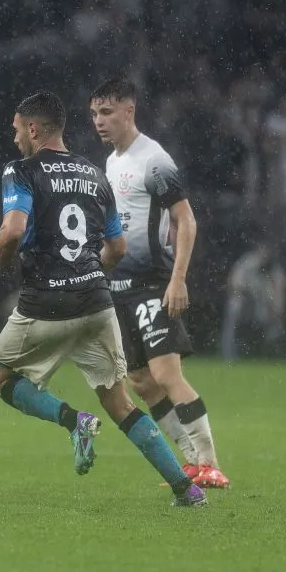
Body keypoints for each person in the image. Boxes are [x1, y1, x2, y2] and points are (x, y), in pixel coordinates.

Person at [0, 92, 206, 508]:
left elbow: (12, 230)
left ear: (34, 129)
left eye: (17, 129)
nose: (15, 138)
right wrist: (88, 272)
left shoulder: (20, 170)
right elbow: (117, 247)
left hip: (45, 303)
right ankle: (187, 490)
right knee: (121, 403)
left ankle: (74, 421)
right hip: (97, 302)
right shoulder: (95, 174)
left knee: (0, 377)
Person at [89, 77, 230, 489]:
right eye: (94, 113)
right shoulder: (111, 163)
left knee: (166, 373)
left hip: (152, 282)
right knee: (140, 381)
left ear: (129, 111)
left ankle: (211, 463)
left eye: (107, 112)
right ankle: (191, 462)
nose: (99, 121)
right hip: (118, 287)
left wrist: (177, 279)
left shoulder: (154, 159)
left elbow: (186, 220)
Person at [221, 240, 286, 361]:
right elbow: (234, 283)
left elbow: (279, 291)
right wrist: (245, 295)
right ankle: (229, 356)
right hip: (244, 300)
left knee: (275, 325)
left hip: (262, 305)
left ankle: (272, 356)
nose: (265, 253)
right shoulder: (247, 263)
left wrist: (276, 310)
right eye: (263, 249)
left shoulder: (273, 268)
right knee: (234, 308)